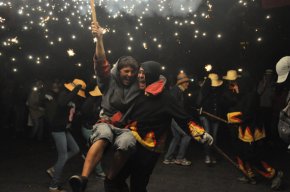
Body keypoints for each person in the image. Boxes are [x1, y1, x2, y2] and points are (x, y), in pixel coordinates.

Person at [102, 61, 213, 192]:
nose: (140, 75)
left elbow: (183, 119)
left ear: (152, 74)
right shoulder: (139, 92)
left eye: (144, 72)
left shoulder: (166, 97)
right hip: (130, 144)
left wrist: (201, 134)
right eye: (140, 71)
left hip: (149, 150)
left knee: (137, 186)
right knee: (113, 181)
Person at [69, 22, 140, 192]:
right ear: (119, 71)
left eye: (132, 72)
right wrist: (99, 39)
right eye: (126, 71)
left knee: (126, 143)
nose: (129, 75)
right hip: (106, 121)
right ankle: (83, 178)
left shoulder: (138, 84)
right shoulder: (108, 80)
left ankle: (110, 178)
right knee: (103, 135)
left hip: (127, 127)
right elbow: (101, 62)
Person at [222, 70, 283, 190]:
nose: (235, 87)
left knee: (252, 155)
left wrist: (229, 117)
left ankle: (274, 174)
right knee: (243, 153)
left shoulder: (252, 96)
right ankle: (250, 176)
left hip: (252, 131)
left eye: (237, 85)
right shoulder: (244, 95)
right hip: (244, 130)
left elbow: (246, 114)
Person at [45, 79, 86, 192]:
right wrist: (76, 89)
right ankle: (53, 186)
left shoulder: (70, 96)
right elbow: (62, 103)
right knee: (62, 156)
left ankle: (54, 168)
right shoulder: (63, 94)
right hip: (57, 128)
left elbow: (66, 110)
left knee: (75, 149)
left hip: (63, 128)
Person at [163, 72, 192, 166]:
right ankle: (179, 158)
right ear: (181, 83)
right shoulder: (176, 91)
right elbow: (177, 108)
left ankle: (167, 158)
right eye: (186, 82)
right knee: (187, 135)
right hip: (176, 118)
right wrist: (185, 118)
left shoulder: (178, 91)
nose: (188, 83)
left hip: (174, 118)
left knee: (176, 137)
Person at [197, 72, 224, 165]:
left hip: (216, 116)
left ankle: (212, 155)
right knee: (208, 136)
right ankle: (207, 155)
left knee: (215, 137)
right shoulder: (204, 90)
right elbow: (198, 103)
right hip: (205, 116)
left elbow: (222, 103)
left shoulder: (219, 91)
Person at [80, 85, 105, 179]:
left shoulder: (98, 102)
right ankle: (99, 172)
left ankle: (86, 153)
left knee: (94, 148)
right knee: (96, 150)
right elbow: (86, 114)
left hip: (93, 128)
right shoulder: (89, 102)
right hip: (87, 128)